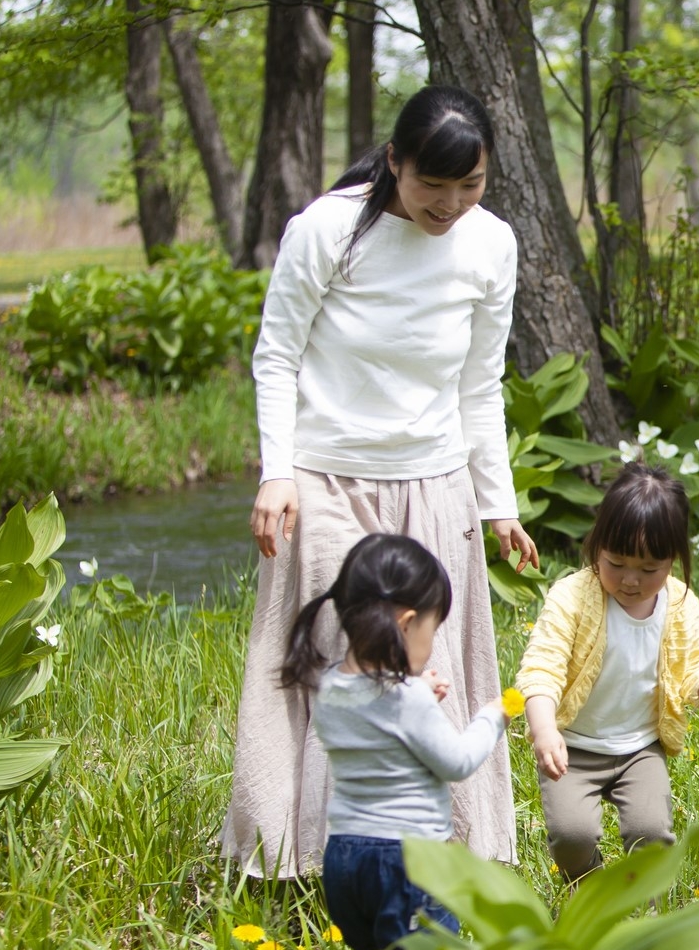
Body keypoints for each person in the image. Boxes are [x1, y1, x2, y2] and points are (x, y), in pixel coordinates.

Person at [223, 85, 538, 878]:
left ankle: (443, 858)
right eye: (434, 185)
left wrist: (497, 503)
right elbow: (276, 356)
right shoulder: (328, 229)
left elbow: (480, 384)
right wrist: (277, 472)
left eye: (471, 186)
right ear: (394, 161)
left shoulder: (490, 244)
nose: (452, 204)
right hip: (329, 483)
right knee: (335, 662)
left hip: (435, 487)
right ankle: (303, 856)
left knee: (429, 673)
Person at [281, 533, 508, 950]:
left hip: (345, 860)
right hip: (410, 861)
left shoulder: (330, 686)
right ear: (406, 623)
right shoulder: (408, 700)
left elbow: (376, 715)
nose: (431, 640)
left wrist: (414, 690)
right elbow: (457, 762)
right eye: (431, 627)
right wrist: (493, 717)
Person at [515, 465, 699, 883]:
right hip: (572, 748)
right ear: (596, 546)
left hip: (640, 748)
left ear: (673, 560)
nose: (631, 580)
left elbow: (691, 669)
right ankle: (593, 893)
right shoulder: (573, 597)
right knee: (570, 834)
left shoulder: (680, 603)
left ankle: (649, 913)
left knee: (651, 834)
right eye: (616, 563)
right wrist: (544, 730)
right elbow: (541, 668)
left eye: (650, 569)